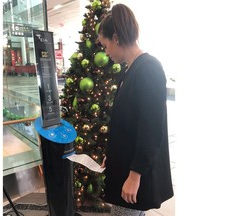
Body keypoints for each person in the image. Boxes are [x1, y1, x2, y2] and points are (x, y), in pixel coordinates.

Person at [98, 4, 174, 216]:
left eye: (105, 45)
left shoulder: (149, 68)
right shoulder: (130, 70)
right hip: (124, 166)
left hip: (132, 174)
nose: (106, 52)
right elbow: (127, 123)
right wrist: (112, 156)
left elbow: (151, 129)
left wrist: (135, 175)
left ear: (116, 38)